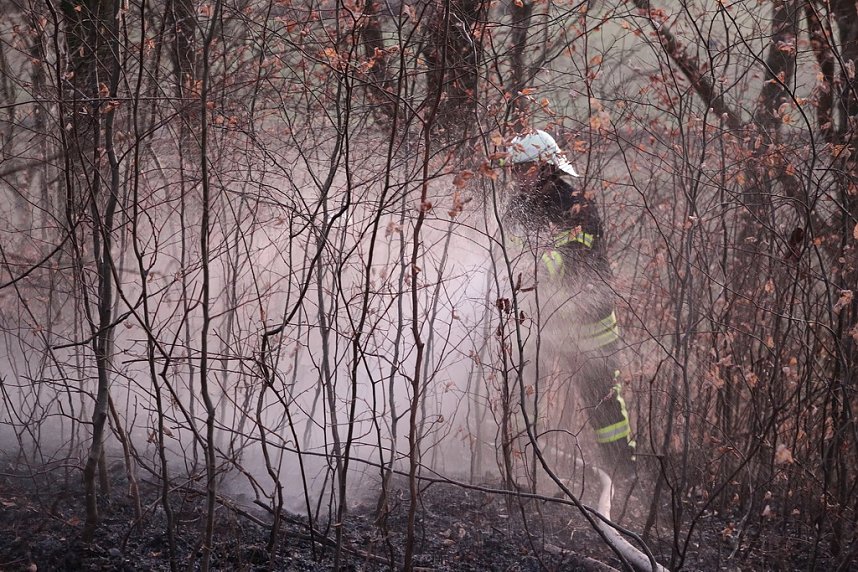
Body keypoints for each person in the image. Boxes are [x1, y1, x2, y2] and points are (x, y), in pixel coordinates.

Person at [503, 129, 635, 478]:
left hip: (587, 319)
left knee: (603, 400)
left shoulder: (577, 204)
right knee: (524, 393)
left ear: (546, 167)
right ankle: (521, 469)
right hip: (542, 319)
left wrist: (530, 270)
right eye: (514, 170)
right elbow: (506, 250)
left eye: (524, 169)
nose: (517, 178)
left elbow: (573, 258)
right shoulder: (517, 208)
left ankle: (624, 473)